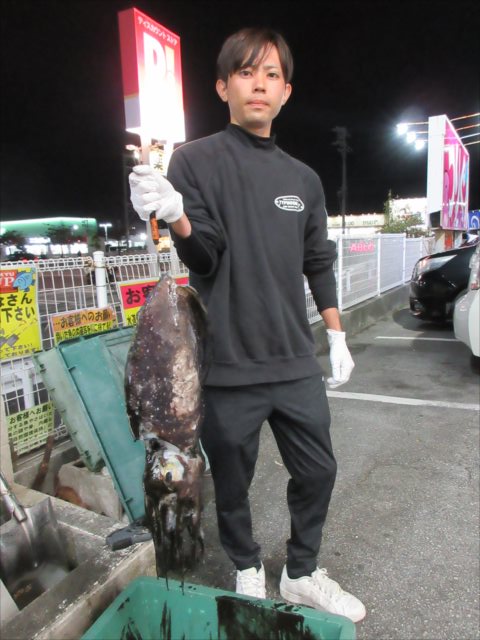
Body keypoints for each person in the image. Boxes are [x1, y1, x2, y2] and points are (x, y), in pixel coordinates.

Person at [129, 27, 366, 623]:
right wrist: (176, 214)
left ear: (286, 92)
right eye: (245, 72)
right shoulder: (194, 160)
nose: (258, 84)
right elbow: (205, 255)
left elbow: (318, 262)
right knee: (232, 483)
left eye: (271, 75)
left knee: (319, 469)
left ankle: (302, 571)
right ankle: (246, 564)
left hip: (293, 359)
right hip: (228, 363)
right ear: (222, 87)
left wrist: (336, 334)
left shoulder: (304, 180)